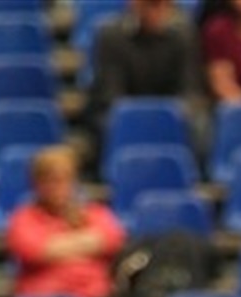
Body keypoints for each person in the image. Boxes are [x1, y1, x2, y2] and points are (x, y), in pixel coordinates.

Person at [3, 147, 127, 297]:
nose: (58, 187)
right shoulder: (23, 218)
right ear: (37, 184)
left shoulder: (94, 212)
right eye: (51, 180)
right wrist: (88, 244)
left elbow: (113, 238)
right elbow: (34, 251)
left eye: (65, 179)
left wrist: (57, 246)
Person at [86, 0, 209, 173]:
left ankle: (194, 175)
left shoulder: (184, 35)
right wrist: (142, 115)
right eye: (151, 5)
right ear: (135, 4)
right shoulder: (110, 36)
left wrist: (169, 112)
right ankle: (114, 174)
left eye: (163, 5)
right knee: (108, 120)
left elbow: (190, 87)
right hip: (124, 112)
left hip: (172, 112)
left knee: (198, 122)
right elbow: (109, 92)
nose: (157, 12)